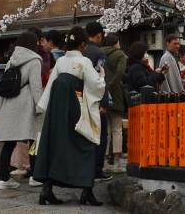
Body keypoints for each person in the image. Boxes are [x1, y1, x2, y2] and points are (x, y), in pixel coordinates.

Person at [32, 26, 106, 206]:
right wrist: (102, 76)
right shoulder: (85, 62)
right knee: (86, 143)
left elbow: (50, 84)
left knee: (56, 145)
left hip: (57, 109)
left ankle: (47, 189)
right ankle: (86, 191)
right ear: (82, 44)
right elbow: (95, 85)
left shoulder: (61, 61)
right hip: (76, 107)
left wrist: (42, 105)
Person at [0, 31, 44, 190]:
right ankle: (35, 177)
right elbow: (36, 87)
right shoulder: (35, 61)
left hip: (9, 105)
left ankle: (3, 179)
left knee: (8, 143)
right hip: (25, 106)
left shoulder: (12, 60)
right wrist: (41, 106)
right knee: (34, 140)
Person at [83, 21, 111, 182]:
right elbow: (101, 79)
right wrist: (104, 102)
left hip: (80, 97)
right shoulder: (98, 53)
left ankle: (84, 167)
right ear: (99, 35)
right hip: (95, 100)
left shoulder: (81, 50)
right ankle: (96, 170)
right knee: (100, 135)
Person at [101, 34, 127, 170]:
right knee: (117, 129)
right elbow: (120, 72)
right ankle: (117, 162)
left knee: (105, 130)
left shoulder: (99, 52)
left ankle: (104, 162)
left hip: (100, 93)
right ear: (116, 42)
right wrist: (112, 84)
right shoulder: (120, 54)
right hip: (115, 94)